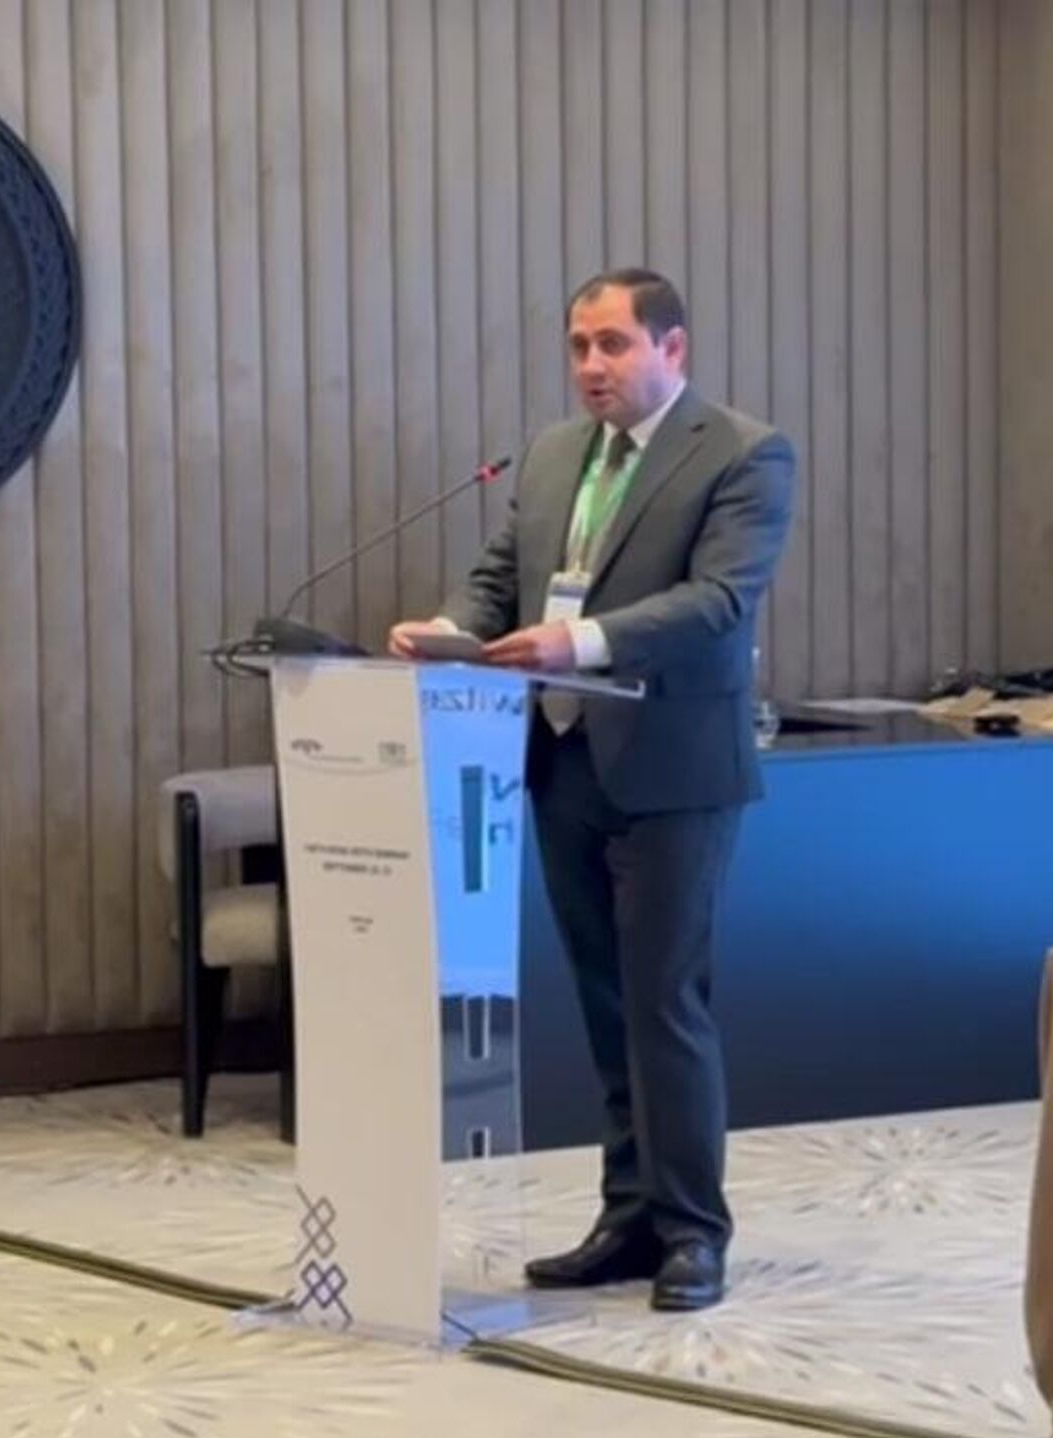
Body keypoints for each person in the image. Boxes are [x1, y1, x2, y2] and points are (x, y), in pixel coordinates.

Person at [389, 268, 796, 1311]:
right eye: (579, 346)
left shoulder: (743, 453)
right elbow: (503, 577)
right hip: (563, 758)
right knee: (606, 1000)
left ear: (673, 348)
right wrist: (450, 629)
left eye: (613, 344)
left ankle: (693, 1230)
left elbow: (719, 600)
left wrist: (582, 640)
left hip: (673, 767)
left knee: (664, 1000)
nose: (591, 366)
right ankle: (628, 1217)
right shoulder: (554, 454)